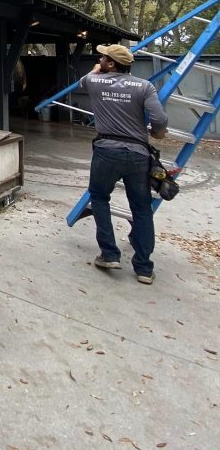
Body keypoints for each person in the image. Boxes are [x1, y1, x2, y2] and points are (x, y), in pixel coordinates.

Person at [78, 43, 168, 285]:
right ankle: (144, 268)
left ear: (111, 64)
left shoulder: (94, 81)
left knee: (98, 197)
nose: (100, 58)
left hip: (106, 150)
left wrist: (97, 70)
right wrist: (158, 133)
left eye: (104, 57)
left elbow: (82, 82)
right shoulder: (144, 86)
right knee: (141, 208)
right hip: (138, 154)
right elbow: (159, 118)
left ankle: (109, 254)